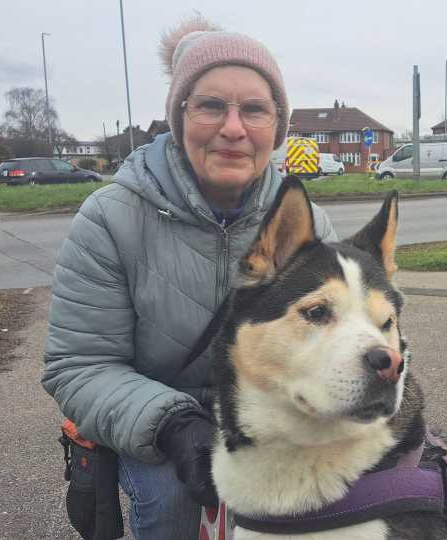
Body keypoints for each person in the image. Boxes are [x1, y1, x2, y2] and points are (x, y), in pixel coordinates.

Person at [42, 17, 337, 539]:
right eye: (210, 106)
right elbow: (79, 365)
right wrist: (174, 425)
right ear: (179, 117)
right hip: (154, 424)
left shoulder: (299, 218)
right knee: (173, 499)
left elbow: (338, 336)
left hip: (268, 415)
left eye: (254, 109)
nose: (233, 128)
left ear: (277, 126)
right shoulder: (110, 218)